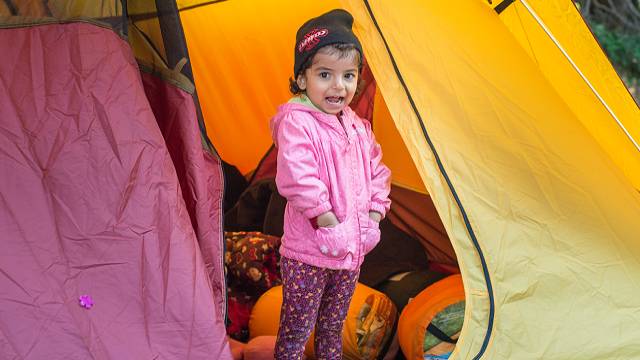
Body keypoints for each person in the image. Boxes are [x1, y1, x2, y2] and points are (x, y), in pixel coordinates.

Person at [269, 9, 391, 359]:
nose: (338, 86)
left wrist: (373, 218)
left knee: (333, 327)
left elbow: (378, 173)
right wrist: (326, 222)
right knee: (297, 330)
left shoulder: (357, 127)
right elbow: (298, 178)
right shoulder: (297, 123)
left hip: (350, 253)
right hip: (309, 253)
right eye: (325, 74)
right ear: (303, 79)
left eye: (348, 76)